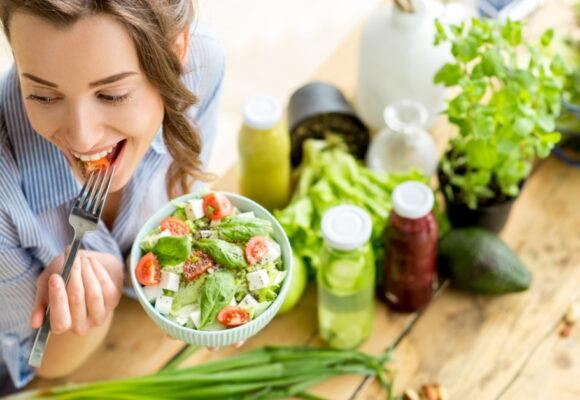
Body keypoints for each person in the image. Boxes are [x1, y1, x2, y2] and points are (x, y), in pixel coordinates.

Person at [0, 0, 225, 393]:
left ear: (177, 54)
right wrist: (79, 307)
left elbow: (187, 208)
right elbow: (32, 366)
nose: (82, 137)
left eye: (113, 94)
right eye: (43, 96)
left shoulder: (202, 66)